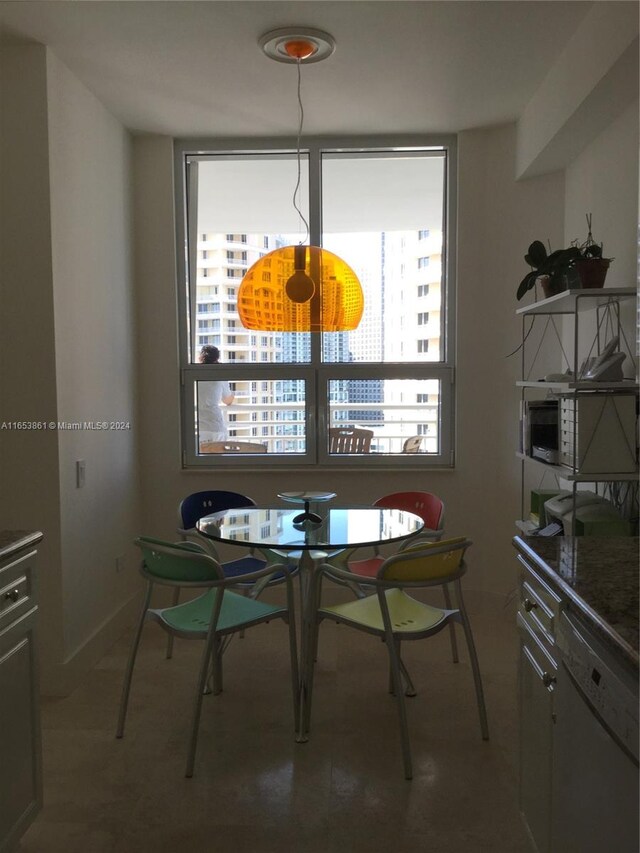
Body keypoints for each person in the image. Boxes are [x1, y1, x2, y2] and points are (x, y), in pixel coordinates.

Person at [197, 345, 234, 448]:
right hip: (214, 424)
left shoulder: (195, 373)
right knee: (217, 458)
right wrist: (233, 395)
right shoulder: (219, 373)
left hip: (199, 426)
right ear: (217, 358)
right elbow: (227, 400)